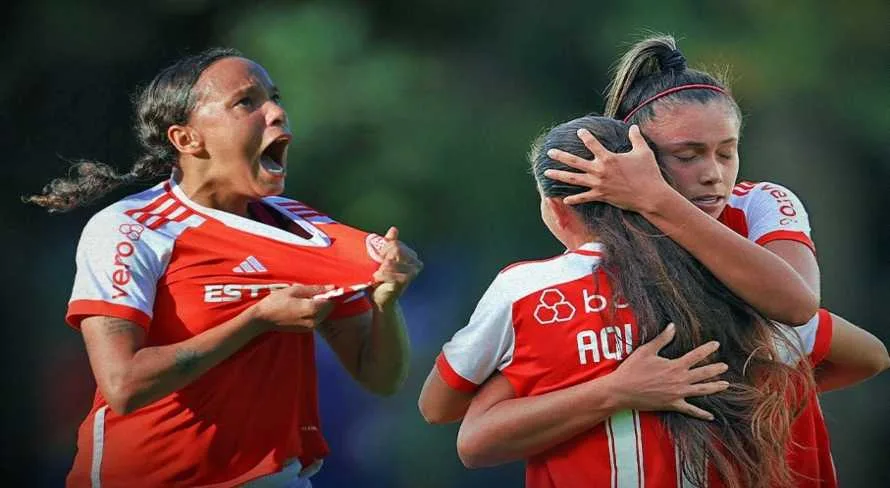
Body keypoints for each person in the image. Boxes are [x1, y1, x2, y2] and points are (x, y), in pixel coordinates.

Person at [25, 47, 422, 488]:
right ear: (187, 139)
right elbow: (124, 386)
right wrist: (256, 319)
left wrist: (387, 303)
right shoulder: (131, 229)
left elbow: (380, 376)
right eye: (246, 102)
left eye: (274, 98)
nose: (277, 112)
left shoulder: (307, 228)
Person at [536, 35, 889, 486]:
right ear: (635, 156)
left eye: (727, 151)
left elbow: (802, 306)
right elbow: (479, 434)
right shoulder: (615, 253)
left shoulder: (759, 203)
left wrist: (745, 398)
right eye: (687, 155)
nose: (713, 174)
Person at [421, 115, 816, 488]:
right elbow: (849, 349)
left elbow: (439, 409)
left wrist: (589, 382)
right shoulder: (726, 279)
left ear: (556, 209)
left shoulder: (525, 291)